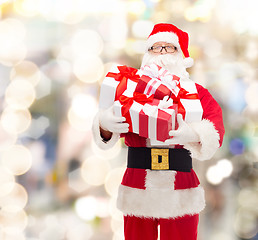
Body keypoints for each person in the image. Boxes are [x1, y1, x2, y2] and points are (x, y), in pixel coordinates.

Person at [92, 23, 225, 240]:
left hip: (180, 184)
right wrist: (104, 123)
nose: (161, 53)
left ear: (181, 54)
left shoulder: (196, 93)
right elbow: (107, 133)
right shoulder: (129, 89)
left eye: (169, 47)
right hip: (138, 181)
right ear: (147, 53)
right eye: (155, 47)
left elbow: (216, 129)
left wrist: (192, 134)